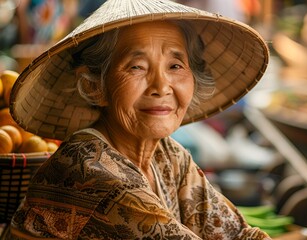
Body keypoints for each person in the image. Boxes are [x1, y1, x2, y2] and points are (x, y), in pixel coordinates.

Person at [6, 0, 270, 239]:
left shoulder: (168, 155)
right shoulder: (89, 173)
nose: (161, 86)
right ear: (95, 86)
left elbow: (237, 234)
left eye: (175, 66)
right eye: (137, 67)